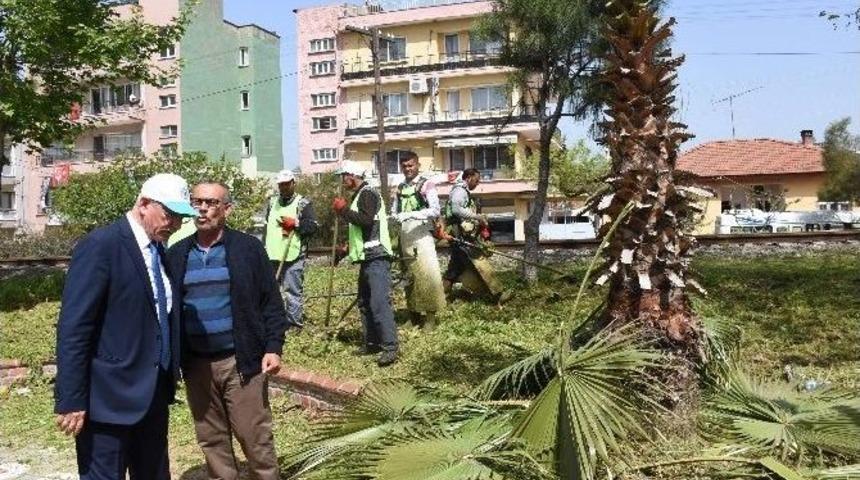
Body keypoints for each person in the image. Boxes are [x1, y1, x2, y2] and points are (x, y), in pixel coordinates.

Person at [54, 173, 198, 480]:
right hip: (107, 400)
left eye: (180, 218)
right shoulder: (101, 246)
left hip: (153, 395)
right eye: (169, 215)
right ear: (144, 204)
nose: (174, 224)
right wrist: (71, 398)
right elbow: (74, 329)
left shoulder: (160, 250)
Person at [166, 182, 287, 480]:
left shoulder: (248, 249)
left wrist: (273, 346)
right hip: (196, 365)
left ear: (227, 209)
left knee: (254, 437)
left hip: (241, 361)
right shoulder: (177, 253)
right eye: (197, 202)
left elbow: (271, 302)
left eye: (211, 202)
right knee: (211, 439)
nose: (203, 209)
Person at [332, 160, 399, 366]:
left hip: (377, 257)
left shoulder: (368, 193)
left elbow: (367, 221)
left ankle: (390, 347)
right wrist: (347, 249)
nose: (342, 181)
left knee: (379, 302)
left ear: (352, 175)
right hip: (366, 258)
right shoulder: (359, 196)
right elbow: (362, 230)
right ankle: (372, 343)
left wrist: (343, 211)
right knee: (365, 302)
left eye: (344, 176)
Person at [390, 151, 446, 329]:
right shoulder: (399, 187)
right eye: (404, 166)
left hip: (422, 235)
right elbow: (394, 210)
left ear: (418, 165)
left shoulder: (427, 184)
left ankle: (430, 318)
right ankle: (413, 315)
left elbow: (435, 210)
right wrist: (394, 216)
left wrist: (411, 214)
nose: (408, 169)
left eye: (410, 165)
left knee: (428, 275)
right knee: (409, 276)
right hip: (405, 236)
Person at [264, 169, 319, 328]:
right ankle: (275, 322)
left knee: (292, 292)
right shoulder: (271, 202)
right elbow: (267, 226)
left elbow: (312, 226)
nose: (284, 187)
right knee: (272, 291)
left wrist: (296, 224)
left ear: (293, 183)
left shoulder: (303, 203)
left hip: (293, 254)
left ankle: (295, 325)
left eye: (287, 184)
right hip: (273, 253)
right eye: (281, 185)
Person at [442, 168, 505, 300]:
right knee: (479, 263)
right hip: (460, 236)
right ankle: (498, 294)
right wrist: (477, 217)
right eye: (476, 180)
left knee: (453, 270)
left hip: (459, 236)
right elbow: (456, 210)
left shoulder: (461, 190)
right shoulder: (460, 191)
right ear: (469, 178)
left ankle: (442, 299)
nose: (477, 183)